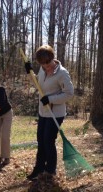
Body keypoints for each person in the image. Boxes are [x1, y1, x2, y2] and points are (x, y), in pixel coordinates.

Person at [24, 45, 74, 180]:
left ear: (52, 58)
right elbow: (38, 85)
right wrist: (30, 74)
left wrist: (51, 99)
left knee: (48, 141)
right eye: (42, 64)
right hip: (43, 112)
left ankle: (50, 171)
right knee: (40, 140)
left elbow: (69, 94)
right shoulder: (42, 70)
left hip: (56, 113)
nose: (46, 66)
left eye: (47, 63)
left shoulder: (62, 73)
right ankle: (39, 168)